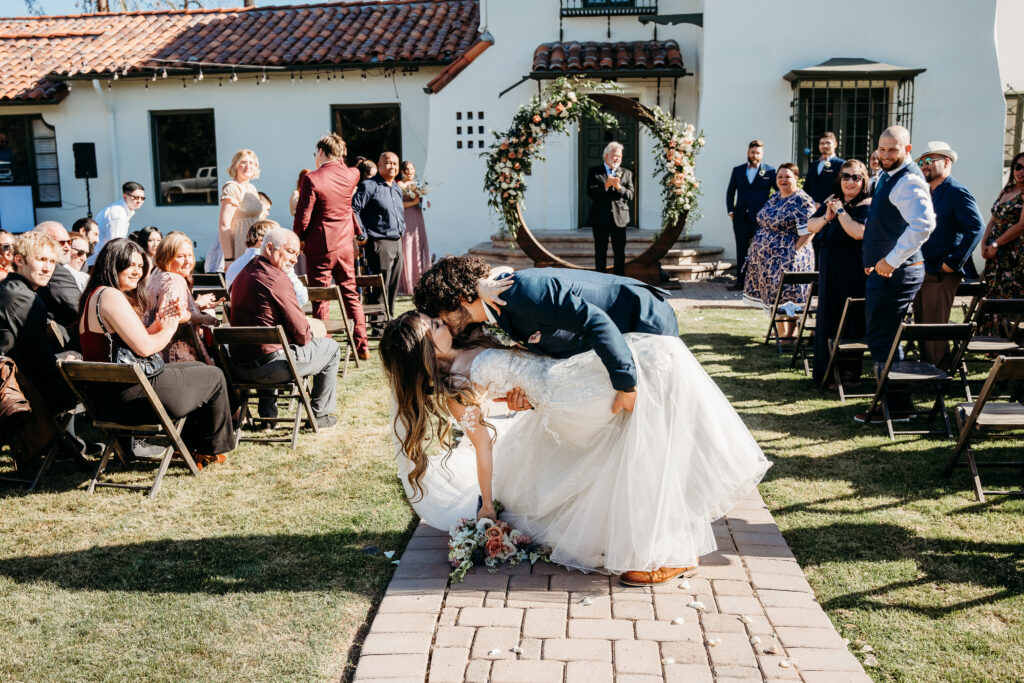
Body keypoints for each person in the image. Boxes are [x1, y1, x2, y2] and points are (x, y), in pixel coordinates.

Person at [380, 312, 771, 585]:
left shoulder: (470, 341)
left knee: (657, 365)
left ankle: (674, 533)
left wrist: (523, 398)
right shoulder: (455, 387)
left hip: (570, 375)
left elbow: (521, 372)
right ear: (424, 346)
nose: (442, 322)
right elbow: (481, 444)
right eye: (432, 324)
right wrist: (486, 502)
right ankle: (668, 551)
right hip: (566, 397)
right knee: (641, 412)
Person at [415, 255, 680, 428]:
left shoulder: (519, 292)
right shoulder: (491, 311)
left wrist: (627, 385)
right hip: (614, 344)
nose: (443, 325)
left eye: (439, 316)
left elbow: (595, 322)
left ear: (459, 299)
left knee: (656, 422)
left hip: (644, 323)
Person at [77, 238, 235, 466]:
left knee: (198, 368)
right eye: (130, 265)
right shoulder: (111, 296)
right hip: (128, 398)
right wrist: (170, 327)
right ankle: (209, 449)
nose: (137, 272)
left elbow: (133, 341)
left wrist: (160, 323)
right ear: (112, 264)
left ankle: (191, 447)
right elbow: (145, 348)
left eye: (141, 267)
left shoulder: (96, 295)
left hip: (111, 395)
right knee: (214, 376)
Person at [857, 125, 936, 423]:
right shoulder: (887, 177)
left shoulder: (908, 181)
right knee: (884, 336)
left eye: (893, 149)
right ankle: (894, 402)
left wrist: (890, 261)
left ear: (908, 149)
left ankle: (897, 407)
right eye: (882, 148)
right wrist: (876, 259)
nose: (886, 154)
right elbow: (887, 225)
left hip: (899, 271)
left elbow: (923, 225)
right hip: (890, 269)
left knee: (882, 337)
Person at [229, 228, 341, 428]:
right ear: (270, 248)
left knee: (271, 346)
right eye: (290, 251)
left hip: (239, 367)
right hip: (272, 368)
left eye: (297, 254)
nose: (295, 260)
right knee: (331, 348)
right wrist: (311, 331)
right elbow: (302, 334)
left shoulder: (243, 274)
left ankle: (268, 417)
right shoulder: (278, 279)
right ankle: (320, 416)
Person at [293, 133, 369, 359]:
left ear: (322, 152)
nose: (315, 157)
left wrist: (297, 240)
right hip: (345, 244)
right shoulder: (353, 174)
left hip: (320, 246)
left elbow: (303, 217)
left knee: (321, 298)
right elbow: (355, 169)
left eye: (316, 153)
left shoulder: (313, 179)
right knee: (350, 294)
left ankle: (325, 345)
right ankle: (362, 345)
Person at [912, 142, 985, 366]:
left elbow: (976, 227)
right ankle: (926, 370)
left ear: (946, 162)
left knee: (936, 327)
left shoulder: (956, 191)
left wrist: (953, 263)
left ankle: (939, 374)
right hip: (924, 269)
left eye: (929, 161)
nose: (923, 166)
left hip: (941, 272)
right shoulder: (929, 192)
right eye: (921, 162)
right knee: (923, 324)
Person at [805, 160, 871, 386]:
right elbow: (810, 226)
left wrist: (840, 211)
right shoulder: (831, 201)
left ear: (863, 181)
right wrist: (826, 216)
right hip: (829, 268)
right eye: (846, 176)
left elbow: (857, 232)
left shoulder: (867, 203)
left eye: (856, 177)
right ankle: (827, 371)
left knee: (849, 318)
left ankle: (849, 373)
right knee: (829, 315)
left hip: (852, 270)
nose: (850, 181)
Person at [0, 231, 77, 415]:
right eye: (41, 259)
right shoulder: (25, 298)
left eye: (52, 261)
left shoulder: (8, 287)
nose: (47, 268)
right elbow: (42, 363)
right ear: (19, 261)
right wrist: (65, 362)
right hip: (19, 389)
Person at [742, 163, 816, 339]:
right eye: (780, 177)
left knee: (789, 295)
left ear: (796, 178)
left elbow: (810, 230)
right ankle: (781, 333)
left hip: (790, 258)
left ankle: (790, 334)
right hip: (768, 261)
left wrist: (794, 251)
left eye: (787, 176)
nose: (783, 180)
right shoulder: (776, 197)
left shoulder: (802, 200)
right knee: (775, 295)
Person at [144, 232, 221, 364]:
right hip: (174, 358)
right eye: (180, 256)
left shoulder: (157, 275)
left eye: (190, 255)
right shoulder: (175, 280)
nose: (188, 262)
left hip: (154, 353)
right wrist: (203, 318)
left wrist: (197, 306)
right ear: (166, 257)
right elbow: (173, 314)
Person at [353, 151, 406, 317]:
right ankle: (379, 328)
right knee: (380, 288)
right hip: (379, 242)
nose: (392, 167)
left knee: (392, 287)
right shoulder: (369, 186)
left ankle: (389, 324)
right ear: (380, 165)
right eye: (388, 163)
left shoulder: (396, 188)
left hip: (397, 241)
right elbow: (354, 209)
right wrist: (362, 233)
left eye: (395, 164)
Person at [979, 151, 1024, 335]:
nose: (1021, 171)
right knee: (992, 291)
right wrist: (983, 243)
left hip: (1013, 253)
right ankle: (990, 339)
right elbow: (993, 219)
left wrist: (997, 243)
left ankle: (1008, 341)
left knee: (1008, 295)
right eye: (1018, 167)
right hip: (994, 252)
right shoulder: (1006, 190)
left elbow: (1022, 226)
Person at [726, 140, 777, 291]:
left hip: (760, 218)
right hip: (740, 217)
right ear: (748, 152)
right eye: (752, 152)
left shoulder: (770, 171)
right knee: (741, 249)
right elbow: (730, 192)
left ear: (762, 154)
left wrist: (770, 210)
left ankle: (759, 283)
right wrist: (731, 211)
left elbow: (778, 191)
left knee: (761, 250)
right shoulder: (738, 170)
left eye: (758, 153)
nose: (755, 155)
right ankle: (740, 282)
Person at [205, 149, 265, 273]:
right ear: (236, 165)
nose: (248, 166)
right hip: (240, 246)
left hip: (255, 245)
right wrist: (228, 258)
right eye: (243, 162)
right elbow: (224, 225)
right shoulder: (232, 188)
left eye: (251, 163)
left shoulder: (252, 188)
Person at [227, 219, 308, 307]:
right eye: (278, 239)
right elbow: (301, 299)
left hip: (241, 318)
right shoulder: (276, 264)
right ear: (262, 241)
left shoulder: (233, 266)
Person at [585, 141, 635, 276]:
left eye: (619, 156)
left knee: (619, 252)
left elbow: (630, 195)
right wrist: (606, 186)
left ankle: (620, 281)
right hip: (600, 217)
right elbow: (590, 192)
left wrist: (619, 188)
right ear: (606, 156)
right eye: (615, 156)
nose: (617, 158)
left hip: (619, 218)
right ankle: (600, 280)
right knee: (600, 251)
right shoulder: (594, 172)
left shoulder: (627, 173)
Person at [34, 221, 82, 339]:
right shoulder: (56, 271)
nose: (67, 247)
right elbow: (80, 310)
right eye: (61, 242)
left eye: (69, 242)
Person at [396, 160, 432, 295]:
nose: (410, 171)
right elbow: (399, 204)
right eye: (408, 169)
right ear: (403, 172)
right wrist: (414, 202)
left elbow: (420, 201)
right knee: (408, 246)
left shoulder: (417, 185)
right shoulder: (400, 185)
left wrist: (424, 202)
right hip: (407, 217)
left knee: (419, 245)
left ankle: (420, 281)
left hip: (418, 217)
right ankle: (409, 283)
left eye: (412, 169)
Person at [92, 181, 145, 267]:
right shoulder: (118, 213)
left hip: (101, 260)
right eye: (135, 197)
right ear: (125, 197)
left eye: (142, 198)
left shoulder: (120, 210)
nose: (139, 201)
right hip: (98, 262)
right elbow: (116, 245)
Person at [804, 132, 845, 206]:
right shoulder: (813, 165)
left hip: (831, 208)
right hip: (811, 208)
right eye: (821, 143)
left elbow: (842, 188)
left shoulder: (841, 164)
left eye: (828, 143)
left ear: (835, 144)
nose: (824, 145)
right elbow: (807, 187)